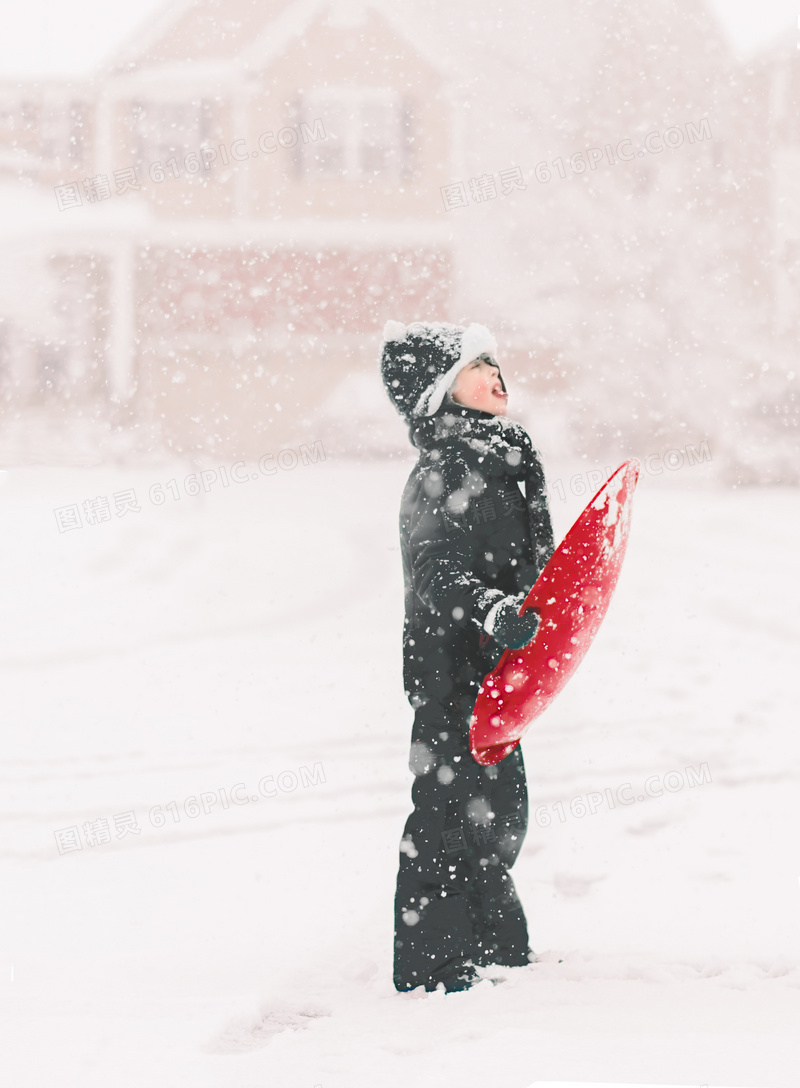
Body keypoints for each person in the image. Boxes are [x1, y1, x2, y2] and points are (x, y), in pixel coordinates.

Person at [378, 319, 555, 994]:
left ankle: (495, 943)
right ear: (438, 391)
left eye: (497, 361)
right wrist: (489, 609)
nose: (497, 373)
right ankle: (432, 960)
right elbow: (435, 567)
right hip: (451, 664)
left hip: (497, 666)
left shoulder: (501, 453)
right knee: (448, 812)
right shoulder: (446, 467)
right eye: (479, 365)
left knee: (499, 808)